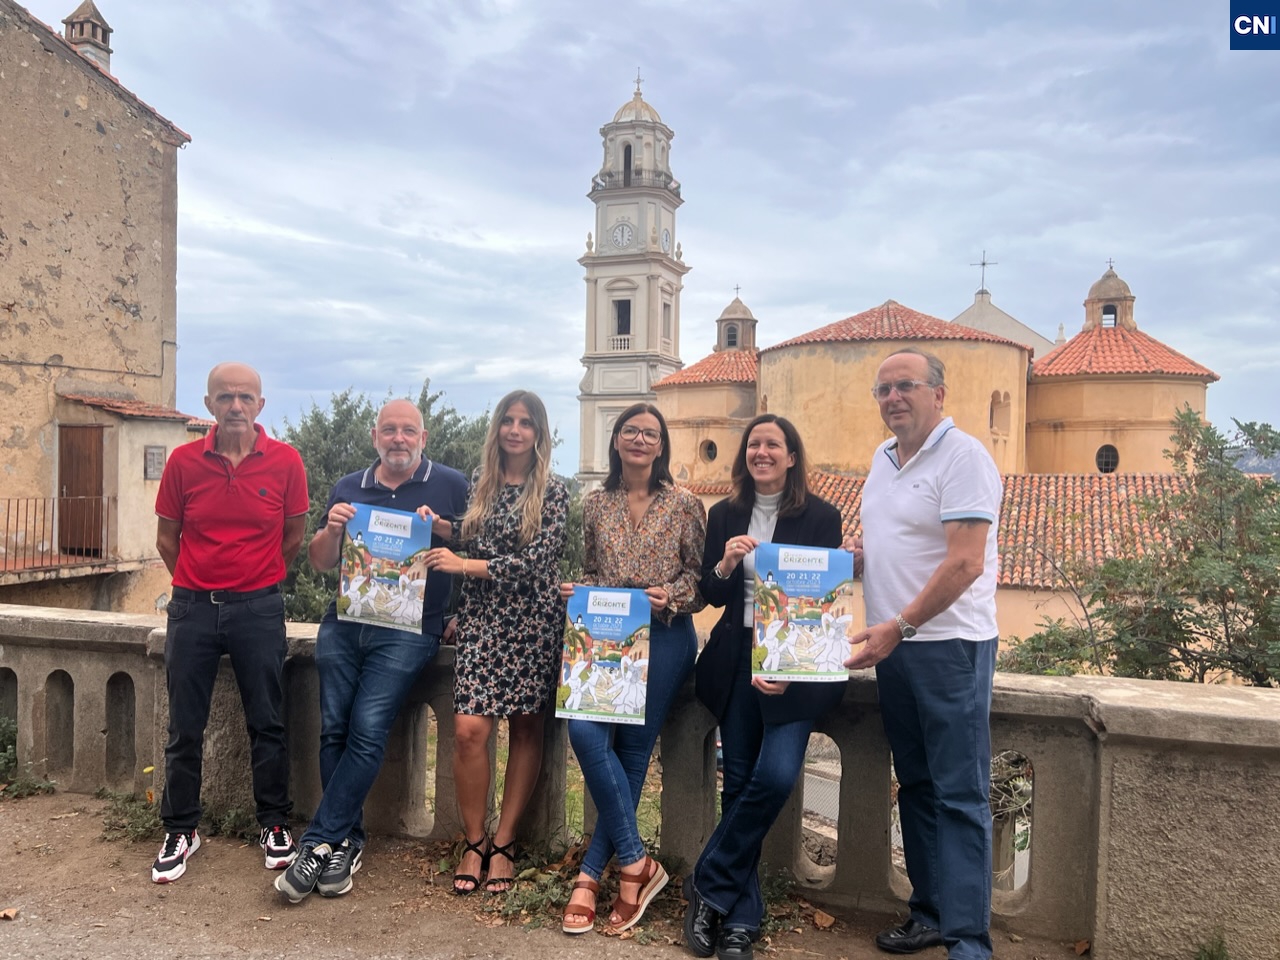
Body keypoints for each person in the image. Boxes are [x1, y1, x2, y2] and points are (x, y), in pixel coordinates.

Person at [273, 399, 469, 903]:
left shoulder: (450, 484)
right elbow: (319, 562)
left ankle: (316, 842)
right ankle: (347, 840)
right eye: (389, 430)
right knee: (333, 727)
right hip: (345, 623)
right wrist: (333, 529)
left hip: (409, 630)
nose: (398, 439)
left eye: (408, 431)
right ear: (374, 435)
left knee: (366, 729)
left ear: (423, 438)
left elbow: (474, 550)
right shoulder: (348, 486)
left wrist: (456, 606)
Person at [844, 349, 1002, 960]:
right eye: (883, 389)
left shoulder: (964, 458)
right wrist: (861, 557)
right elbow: (900, 540)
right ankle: (931, 913)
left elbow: (965, 561)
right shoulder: (884, 460)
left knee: (960, 794)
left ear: (939, 393)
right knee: (915, 784)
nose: (892, 398)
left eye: (905, 386)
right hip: (898, 649)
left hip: (947, 646)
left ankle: (968, 942)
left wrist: (899, 628)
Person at [684, 415, 845, 960]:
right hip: (736, 660)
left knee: (774, 776)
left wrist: (785, 661)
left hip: (794, 664)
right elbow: (708, 593)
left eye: (773, 444)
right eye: (754, 444)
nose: (762, 452)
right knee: (737, 787)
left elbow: (818, 603)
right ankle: (738, 921)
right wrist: (728, 562)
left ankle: (706, 884)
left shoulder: (823, 517)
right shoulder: (724, 513)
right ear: (744, 456)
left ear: (792, 455)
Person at [151, 362, 309, 883]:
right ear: (209, 404)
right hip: (193, 607)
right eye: (226, 397)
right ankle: (181, 829)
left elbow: (293, 536)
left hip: (258, 607)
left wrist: (253, 582)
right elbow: (166, 539)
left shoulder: (286, 462)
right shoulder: (182, 462)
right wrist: (198, 584)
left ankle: (273, 823)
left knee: (268, 720)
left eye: (245, 397)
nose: (236, 406)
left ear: (260, 405)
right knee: (184, 726)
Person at [559, 403, 706, 936]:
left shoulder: (686, 504)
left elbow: (699, 579)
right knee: (585, 733)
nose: (640, 440)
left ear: (661, 445)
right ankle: (636, 862)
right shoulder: (595, 504)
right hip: (604, 634)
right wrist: (580, 589)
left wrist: (673, 594)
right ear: (616, 442)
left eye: (650, 433)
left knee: (635, 750)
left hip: (665, 636)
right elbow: (594, 569)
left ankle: (592, 876)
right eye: (630, 431)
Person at [422, 390, 569, 895]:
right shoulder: (480, 485)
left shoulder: (554, 490)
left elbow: (535, 565)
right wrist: (444, 528)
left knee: (527, 730)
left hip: (532, 622)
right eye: (507, 420)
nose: (515, 429)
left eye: (525, 422)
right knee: (468, 732)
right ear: (497, 430)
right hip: (482, 620)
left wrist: (463, 565)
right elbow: (474, 534)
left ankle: (503, 845)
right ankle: (473, 839)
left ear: (538, 433)